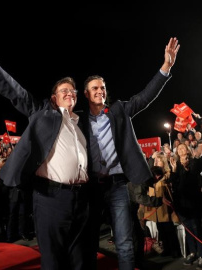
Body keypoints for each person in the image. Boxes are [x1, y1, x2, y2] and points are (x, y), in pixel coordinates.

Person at [0, 40, 90, 270]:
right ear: (54, 98)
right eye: (64, 91)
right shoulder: (42, 113)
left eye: (72, 91)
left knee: (79, 262)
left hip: (81, 201)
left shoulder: (81, 124)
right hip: (51, 199)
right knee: (54, 262)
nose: (70, 93)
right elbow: (14, 91)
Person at [80, 37, 180, 270]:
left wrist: (166, 66)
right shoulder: (78, 119)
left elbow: (145, 96)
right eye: (95, 88)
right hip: (91, 187)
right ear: (86, 94)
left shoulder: (119, 110)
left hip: (118, 186)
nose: (100, 91)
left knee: (125, 242)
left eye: (103, 87)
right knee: (89, 241)